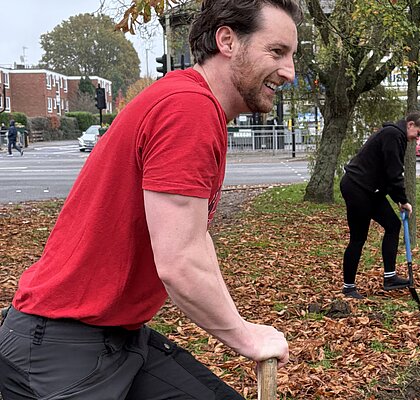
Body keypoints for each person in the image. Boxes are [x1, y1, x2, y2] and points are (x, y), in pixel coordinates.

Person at [0, 0, 301, 398]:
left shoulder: (194, 105)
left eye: (292, 56)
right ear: (227, 40)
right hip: (60, 345)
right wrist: (245, 338)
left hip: (117, 337)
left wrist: (241, 323)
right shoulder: (188, 108)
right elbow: (178, 262)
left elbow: (196, 242)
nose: (289, 72)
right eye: (277, 52)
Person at [339, 110, 420, 299]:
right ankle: (348, 287)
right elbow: (394, 172)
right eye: (418, 134)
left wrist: (399, 200)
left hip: (372, 190)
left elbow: (389, 174)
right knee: (358, 238)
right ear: (410, 124)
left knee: (393, 225)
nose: (417, 139)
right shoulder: (393, 135)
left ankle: (390, 278)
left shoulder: (397, 136)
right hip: (357, 188)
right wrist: (404, 200)